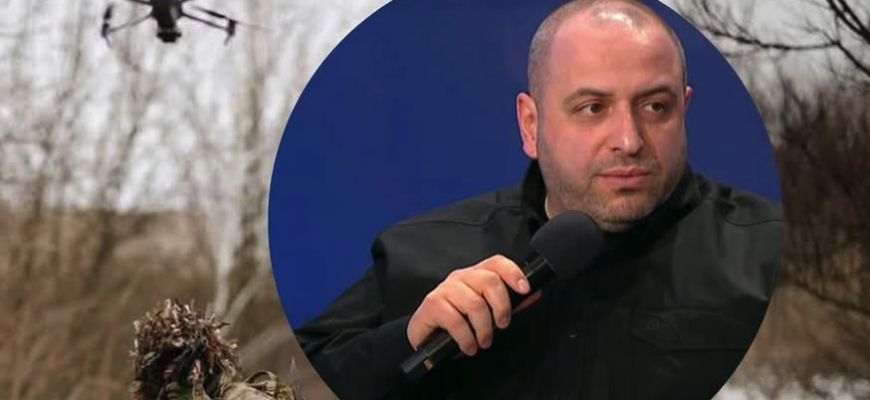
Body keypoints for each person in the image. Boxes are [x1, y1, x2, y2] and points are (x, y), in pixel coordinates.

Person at [293, 0, 782, 399]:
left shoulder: (767, 253)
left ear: (684, 110)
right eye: (592, 108)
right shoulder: (416, 253)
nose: (629, 140)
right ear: (531, 125)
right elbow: (296, 377)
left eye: (655, 106)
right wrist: (405, 341)